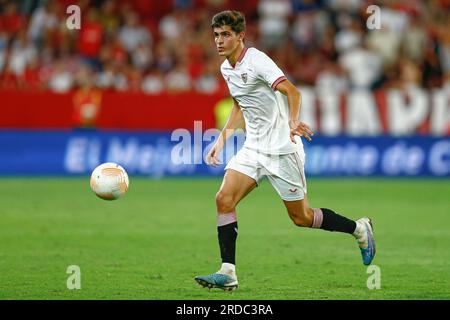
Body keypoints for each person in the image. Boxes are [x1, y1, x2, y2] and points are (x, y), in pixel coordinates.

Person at [194, 11, 375, 291]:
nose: (219, 40)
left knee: (301, 218)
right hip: (253, 147)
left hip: (281, 149)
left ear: (240, 36)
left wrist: (292, 121)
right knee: (223, 199)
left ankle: (359, 229)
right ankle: (228, 271)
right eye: (216, 35)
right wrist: (221, 140)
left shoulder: (257, 61)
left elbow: (293, 92)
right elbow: (241, 105)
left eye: (226, 34)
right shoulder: (226, 68)